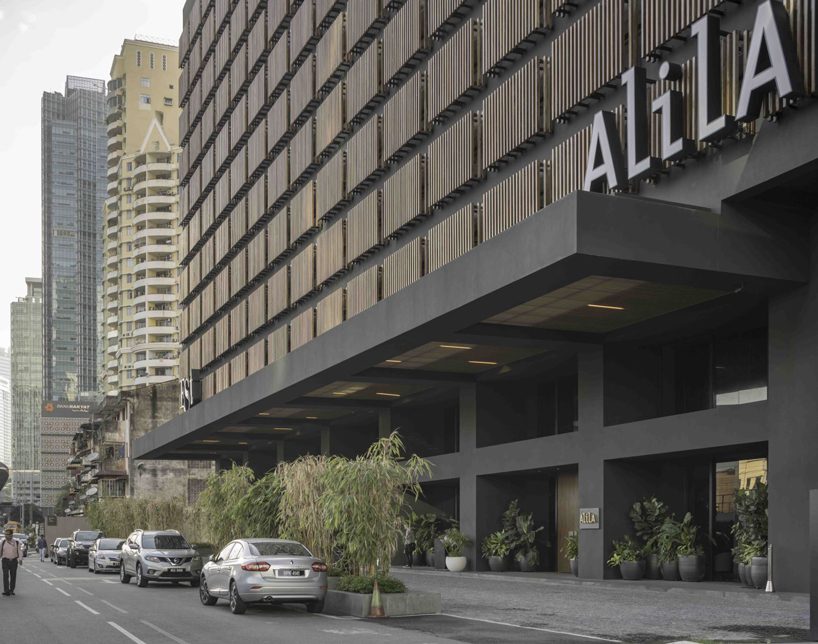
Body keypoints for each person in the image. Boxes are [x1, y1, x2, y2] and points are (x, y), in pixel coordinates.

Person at [1, 528, 22, 596]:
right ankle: (6, 591)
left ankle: (11, 590)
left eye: (8, 535)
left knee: (13, 576)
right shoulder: (3, 542)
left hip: (13, 561)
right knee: (5, 575)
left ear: (12, 535)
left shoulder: (16, 542)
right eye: (6, 535)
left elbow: (19, 551)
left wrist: (20, 559)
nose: (7, 536)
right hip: (5, 561)